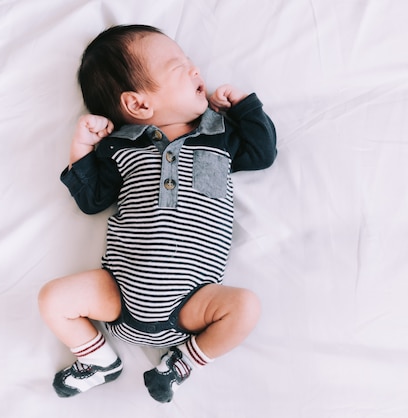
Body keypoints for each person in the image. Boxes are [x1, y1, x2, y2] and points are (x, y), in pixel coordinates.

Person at [38, 24, 277, 403]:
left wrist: (246, 107)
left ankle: (182, 362)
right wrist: (81, 148)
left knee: (246, 307)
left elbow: (262, 153)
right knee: (53, 298)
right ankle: (99, 360)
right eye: (178, 65)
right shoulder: (119, 147)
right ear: (138, 104)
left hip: (192, 304)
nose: (197, 69)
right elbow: (92, 200)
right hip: (118, 295)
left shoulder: (218, 136)